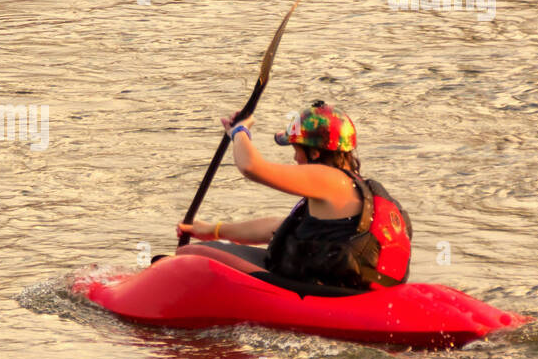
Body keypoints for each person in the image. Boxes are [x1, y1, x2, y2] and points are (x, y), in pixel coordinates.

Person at [175, 101, 412, 290]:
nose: (295, 159)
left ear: (316, 153)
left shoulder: (327, 178)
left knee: (190, 256)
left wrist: (239, 132)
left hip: (335, 294)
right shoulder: (358, 187)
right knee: (212, 246)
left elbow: (251, 167)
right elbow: (278, 229)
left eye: (297, 150)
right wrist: (212, 230)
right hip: (357, 286)